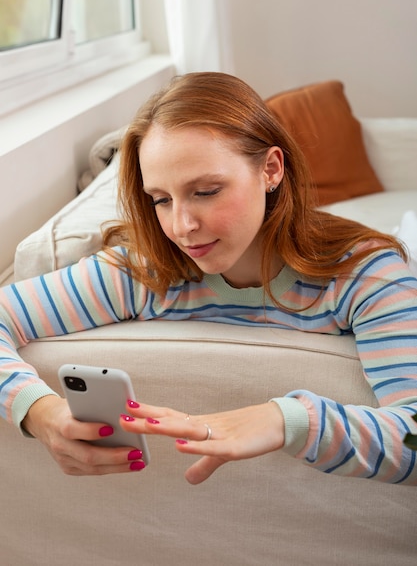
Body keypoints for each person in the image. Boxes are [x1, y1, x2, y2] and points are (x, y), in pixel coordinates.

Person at [1, 72, 416, 484]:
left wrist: (286, 420)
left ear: (271, 169)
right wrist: (39, 411)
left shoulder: (366, 275)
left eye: (206, 191)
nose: (181, 227)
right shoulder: (144, 272)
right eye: (161, 199)